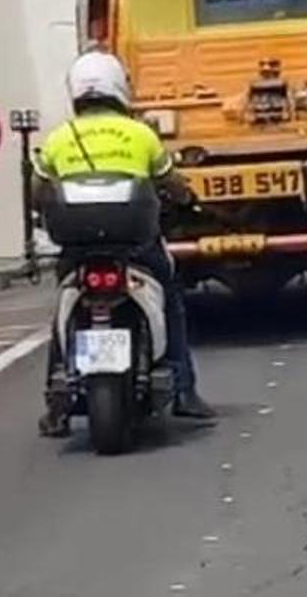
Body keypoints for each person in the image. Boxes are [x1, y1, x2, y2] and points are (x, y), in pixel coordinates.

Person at [35, 51, 216, 435]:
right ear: (119, 88)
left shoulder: (58, 139)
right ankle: (184, 391)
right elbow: (171, 183)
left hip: (77, 248)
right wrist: (189, 203)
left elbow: (38, 188)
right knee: (170, 298)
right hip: (136, 246)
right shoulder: (140, 135)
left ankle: (56, 404)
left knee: (62, 310)